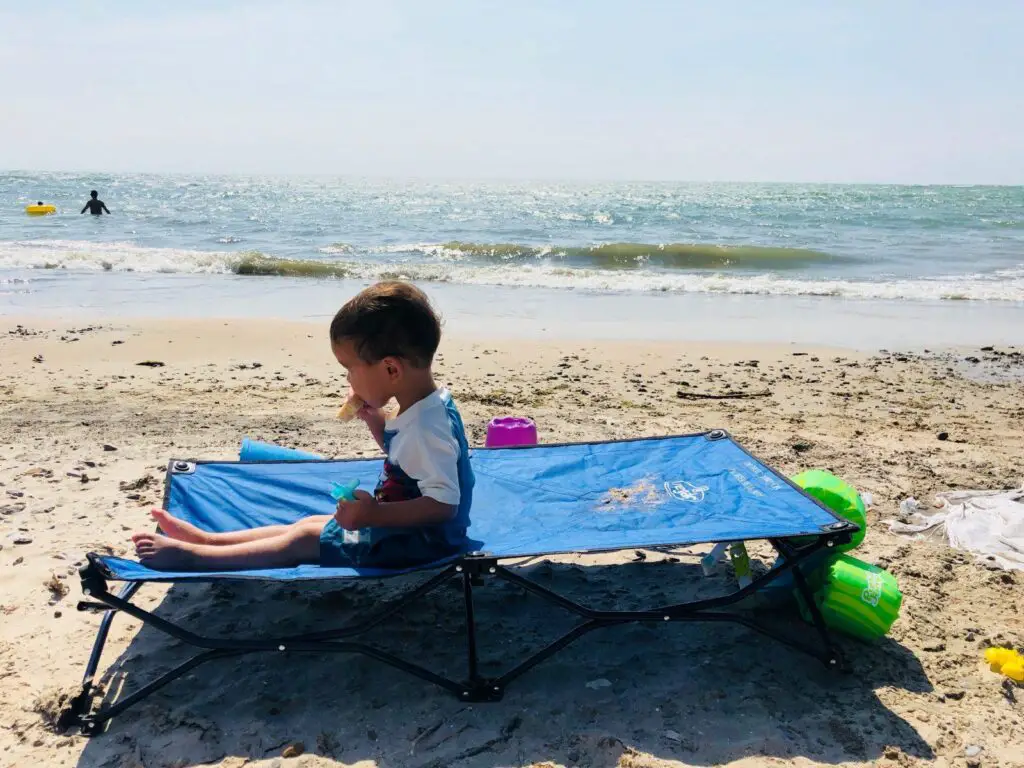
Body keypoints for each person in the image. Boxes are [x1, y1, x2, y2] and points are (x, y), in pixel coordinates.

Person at [132, 281, 474, 571]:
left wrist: (376, 514)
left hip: (421, 543)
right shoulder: (424, 406)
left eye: (350, 368)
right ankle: (210, 540)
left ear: (391, 370)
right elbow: (407, 459)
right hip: (400, 528)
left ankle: (198, 557)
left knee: (303, 539)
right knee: (309, 524)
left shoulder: (428, 429)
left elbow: (443, 506)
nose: (348, 378)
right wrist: (375, 423)